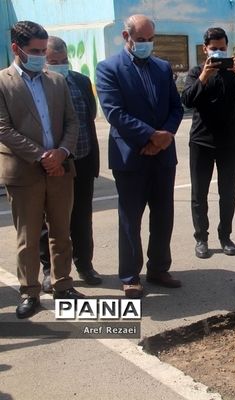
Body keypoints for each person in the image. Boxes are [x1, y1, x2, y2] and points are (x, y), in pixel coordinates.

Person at [0, 21, 85, 319]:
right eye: (34, 51)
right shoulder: (2, 82)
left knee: (62, 233)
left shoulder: (57, 82)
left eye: (43, 50)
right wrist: (42, 157)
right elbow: (3, 128)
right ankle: (30, 292)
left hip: (61, 170)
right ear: (16, 49)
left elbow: (73, 122)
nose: (40, 56)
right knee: (28, 236)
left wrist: (61, 153)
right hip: (24, 173)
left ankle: (62, 285)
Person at [96, 14, 184, 299]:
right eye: (141, 40)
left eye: (150, 40)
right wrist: (150, 136)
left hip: (162, 156)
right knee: (130, 218)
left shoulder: (162, 67)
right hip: (130, 156)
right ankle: (130, 276)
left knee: (163, 215)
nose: (146, 44)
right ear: (127, 37)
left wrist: (163, 137)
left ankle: (158, 268)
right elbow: (114, 112)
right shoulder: (109, 68)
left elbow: (176, 108)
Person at [181, 27, 235, 259]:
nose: (218, 52)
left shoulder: (234, 73)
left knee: (228, 193)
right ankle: (201, 239)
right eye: (214, 48)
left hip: (231, 142)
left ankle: (225, 236)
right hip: (202, 143)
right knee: (199, 194)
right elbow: (187, 100)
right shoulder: (196, 73)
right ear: (205, 49)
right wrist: (204, 77)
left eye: (222, 48)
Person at [40, 35, 102, 293]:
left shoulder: (80, 81)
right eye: (54, 61)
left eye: (64, 60)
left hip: (83, 160)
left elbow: (89, 117)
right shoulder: (38, 85)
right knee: (51, 221)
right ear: (43, 61)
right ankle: (49, 270)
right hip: (54, 164)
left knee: (82, 216)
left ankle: (84, 265)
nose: (60, 65)